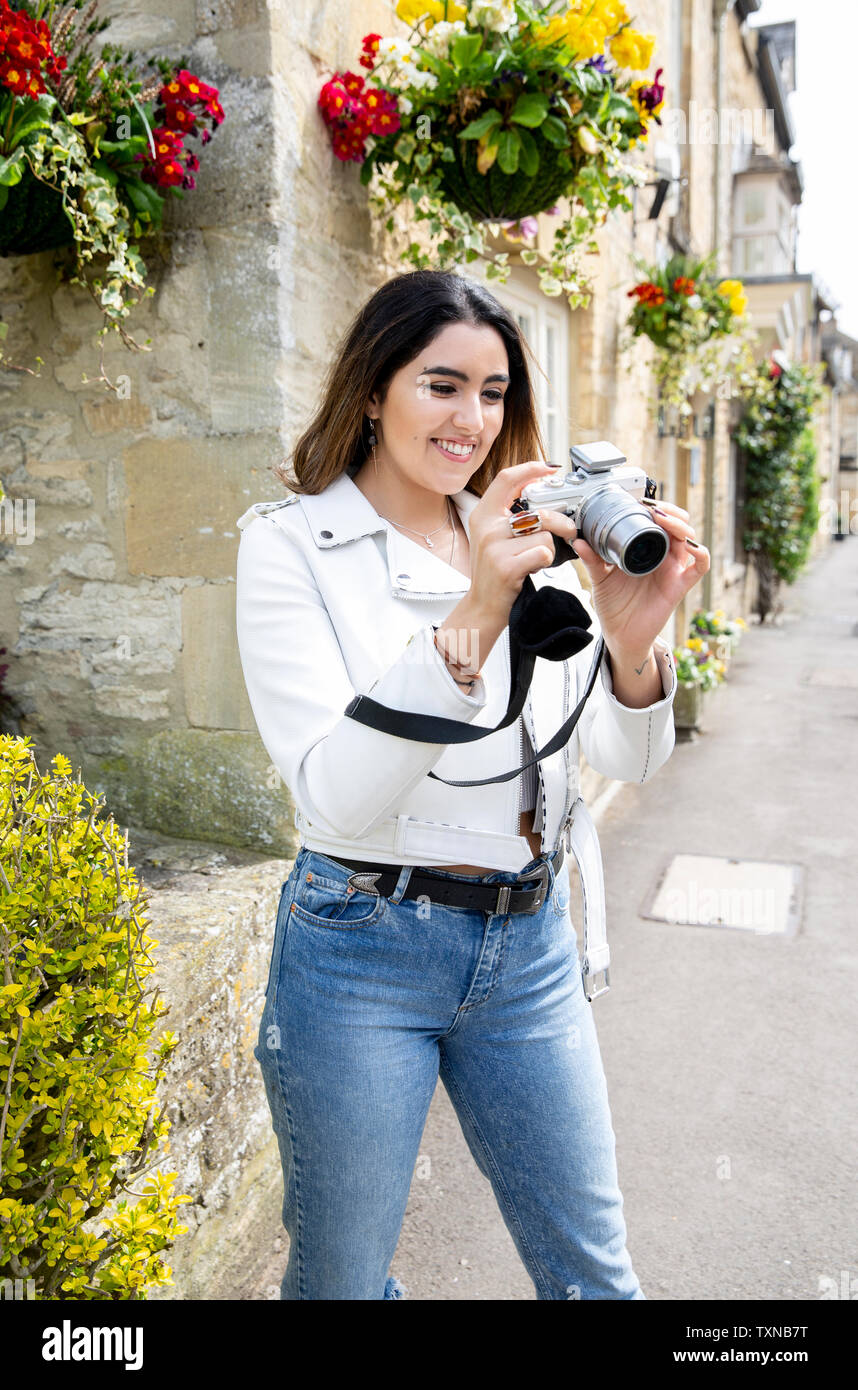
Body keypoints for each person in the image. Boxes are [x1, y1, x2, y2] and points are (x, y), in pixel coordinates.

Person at [235, 269, 710, 1301]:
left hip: (528, 945)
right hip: (361, 944)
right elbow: (335, 793)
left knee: (595, 1276)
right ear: (372, 388)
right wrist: (477, 607)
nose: (471, 419)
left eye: (492, 393)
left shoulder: (527, 533)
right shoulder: (290, 546)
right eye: (440, 384)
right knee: (343, 1282)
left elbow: (624, 761)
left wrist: (632, 647)